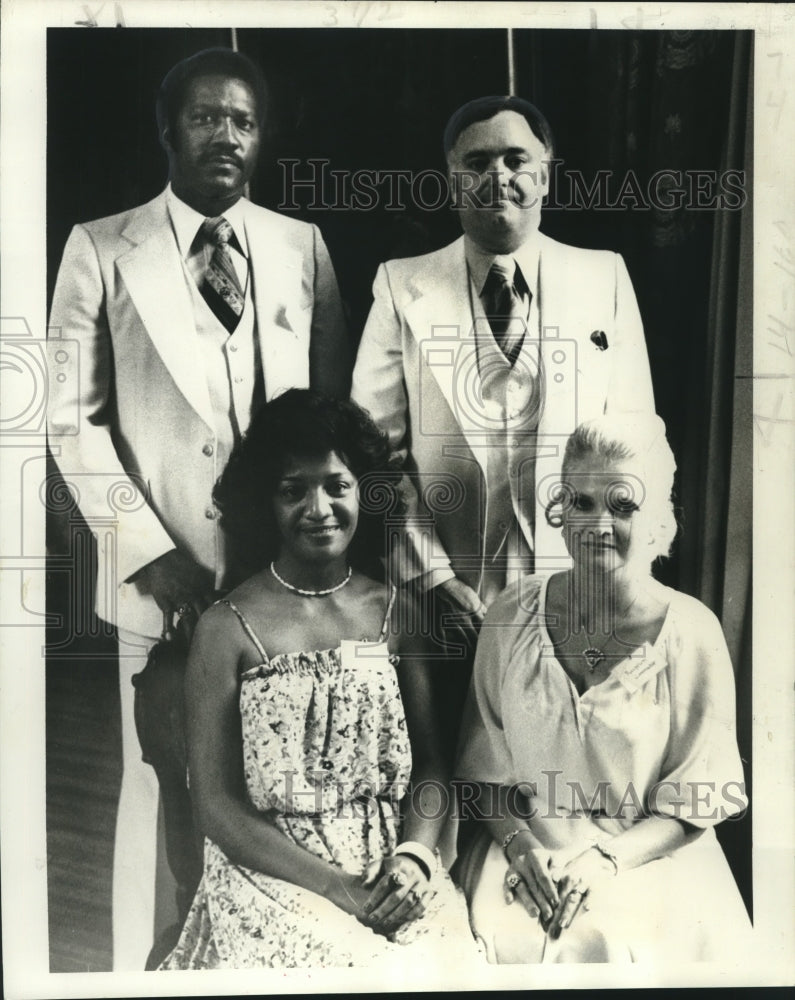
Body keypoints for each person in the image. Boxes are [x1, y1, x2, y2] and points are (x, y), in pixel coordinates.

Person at [46, 48, 349, 969]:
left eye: (244, 121)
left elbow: (329, 414)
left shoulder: (300, 247)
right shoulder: (102, 246)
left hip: (285, 577)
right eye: (208, 117)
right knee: (164, 776)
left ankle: (272, 955)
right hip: (164, 574)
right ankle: (147, 966)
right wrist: (146, 549)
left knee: (286, 775)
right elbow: (68, 417)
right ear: (168, 129)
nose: (227, 135)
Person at [350, 95, 655, 756]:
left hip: (577, 592)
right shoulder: (400, 286)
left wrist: (616, 580)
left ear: (546, 173)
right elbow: (373, 456)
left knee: (564, 779)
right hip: (445, 599)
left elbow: (636, 446)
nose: (497, 176)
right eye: (476, 161)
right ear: (451, 177)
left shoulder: (601, 276)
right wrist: (431, 580)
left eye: (516, 159)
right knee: (454, 781)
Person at [159, 389, 481, 970]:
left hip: (390, 869)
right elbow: (216, 806)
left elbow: (434, 765)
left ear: (365, 493)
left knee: (444, 969)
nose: (319, 508)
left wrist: (414, 858)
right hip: (273, 874)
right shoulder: (226, 629)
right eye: (293, 490)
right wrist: (337, 888)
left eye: (337, 485)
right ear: (265, 503)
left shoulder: (396, 614)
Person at [454, 414, 752, 963]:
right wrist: (520, 848)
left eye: (623, 506)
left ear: (660, 521)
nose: (597, 525)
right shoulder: (511, 615)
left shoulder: (691, 633)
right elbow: (481, 776)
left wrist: (605, 862)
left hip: (646, 856)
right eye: (582, 502)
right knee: (502, 936)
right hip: (525, 846)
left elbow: (693, 804)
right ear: (560, 511)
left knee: (608, 942)